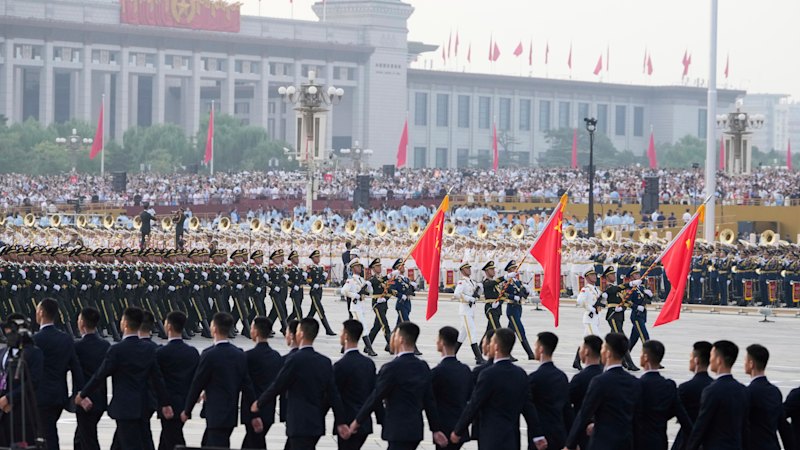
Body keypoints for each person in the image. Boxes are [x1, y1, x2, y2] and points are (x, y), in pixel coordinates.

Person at [75, 307, 172, 450]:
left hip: (125, 407)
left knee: (129, 443)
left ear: (125, 323)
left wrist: (83, 394)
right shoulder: (148, 349)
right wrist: (165, 403)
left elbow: (100, 375)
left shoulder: (117, 350)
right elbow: (157, 378)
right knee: (140, 441)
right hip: (143, 405)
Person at [252, 318, 349, 450]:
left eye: (297, 331)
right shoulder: (324, 361)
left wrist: (259, 403)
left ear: (301, 334)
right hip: (316, 422)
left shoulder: (294, 359)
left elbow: (278, 385)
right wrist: (341, 421)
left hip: (298, 422)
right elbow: (333, 394)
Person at [350, 321, 448, 450]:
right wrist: (435, 429)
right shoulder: (422, 367)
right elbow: (429, 400)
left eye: (394, 336)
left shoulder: (392, 368)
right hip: (415, 430)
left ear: (400, 339)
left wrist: (357, 421)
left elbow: (376, 396)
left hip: (397, 430)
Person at [450, 328, 545, 450]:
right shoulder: (520, 374)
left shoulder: (488, 374)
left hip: (491, 437)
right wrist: (538, 435)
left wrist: (458, 430)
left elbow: (475, 404)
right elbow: (528, 407)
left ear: (496, 346)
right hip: (512, 437)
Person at [181, 312, 256, 448]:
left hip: (215, 412)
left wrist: (187, 410)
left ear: (214, 328)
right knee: (211, 443)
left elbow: (197, 384)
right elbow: (247, 385)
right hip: (230, 413)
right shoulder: (239, 354)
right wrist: (255, 413)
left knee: (215, 445)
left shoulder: (209, 354)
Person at [565, 333, 642, 450]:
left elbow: (584, 413)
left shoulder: (600, 381)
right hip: (626, 442)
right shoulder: (634, 382)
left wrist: (570, 444)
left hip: (603, 442)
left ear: (608, 353)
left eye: (604, 348)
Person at [33, 297, 84, 450]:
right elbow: (75, 367)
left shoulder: (35, 339)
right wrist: (78, 392)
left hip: (39, 396)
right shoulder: (65, 339)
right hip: (58, 395)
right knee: (47, 432)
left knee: (45, 435)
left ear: (41, 312)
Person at [685, 340, 750, 450]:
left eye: (712, 356)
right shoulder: (742, 390)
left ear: (719, 360)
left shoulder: (712, 390)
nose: (710, 360)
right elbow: (745, 427)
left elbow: (701, 426)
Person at [635, 340, 693, 450]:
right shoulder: (668, 386)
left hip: (638, 442)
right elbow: (681, 415)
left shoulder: (637, 385)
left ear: (646, 357)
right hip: (659, 442)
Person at [155, 312, 199, 450]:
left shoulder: (161, 352)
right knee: (168, 438)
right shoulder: (192, 352)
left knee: (174, 440)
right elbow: (196, 379)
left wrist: (163, 402)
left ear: (169, 326)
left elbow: (157, 379)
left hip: (167, 404)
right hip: (185, 402)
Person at [0, 314, 44, 448]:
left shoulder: (33, 353)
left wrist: (9, 398)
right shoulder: (3, 352)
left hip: (22, 410)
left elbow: (33, 381)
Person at [334, 320, 378, 450]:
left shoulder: (341, 365)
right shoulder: (368, 364)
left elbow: (333, 395)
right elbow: (374, 394)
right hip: (363, 423)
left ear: (346, 336)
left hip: (346, 423)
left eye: (341, 332)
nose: (340, 335)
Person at [240, 317, 283, 450]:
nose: (250, 330)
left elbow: (247, 385)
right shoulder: (276, 356)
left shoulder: (248, 356)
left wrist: (254, 414)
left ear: (256, 331)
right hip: (268, 410)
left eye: (252, 328)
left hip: (252, 410)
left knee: (253, 444)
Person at [743, 343, 794, 450]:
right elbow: (782, 425)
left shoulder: (748, 392)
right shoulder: (775, 391)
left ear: (751, 364)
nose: (744, 363)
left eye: (745, 360)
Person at [73, 307, 110, 450]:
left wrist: (82, 394)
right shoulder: (105, 345)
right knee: (80, 438)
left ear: (82, 322)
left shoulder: (77, 346)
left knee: (88, 440)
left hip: (83, 400)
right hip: (100, 398)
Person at [431, 326, 472, 450]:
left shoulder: (437, 372)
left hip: (444, 428)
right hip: (460, 426)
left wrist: (435, 428)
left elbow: (429, 400)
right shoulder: (465, 370)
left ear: (442, 343)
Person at [528, 331, 570, 450]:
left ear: (541, 349)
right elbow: (567, 410)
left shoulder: (535, 378)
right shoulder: (561, 376)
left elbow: (528, 408)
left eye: (535, 346)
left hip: (541, 437)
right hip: (559, 435)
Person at [672, 341, 713, 450]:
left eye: (690, 357)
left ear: (696, 360)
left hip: (686, 441)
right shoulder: (714, 387)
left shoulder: (685, 388)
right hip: (709, 440)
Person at [567, 335, 604, 450]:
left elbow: (566, 403)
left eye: (581, 348)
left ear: (587, 351)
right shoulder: (605, 376)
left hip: (583, 434)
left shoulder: (580, 378)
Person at [600, 267, 640, 371]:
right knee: (621, 339)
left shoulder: (618, 288)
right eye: (611, 275)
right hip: (612, 316)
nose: (613, 276)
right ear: (607, 277)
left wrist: (623, 307)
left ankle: (601, 360)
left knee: (610, 340)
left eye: (614, 274)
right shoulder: (608, 287)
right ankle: (629, 363)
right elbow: (615, 290)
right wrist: (630, 284)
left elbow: (625, 302)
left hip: (620, 316)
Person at [341, 259, 377, 356]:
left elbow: (370, 292)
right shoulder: (351, 280)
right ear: (352, 268)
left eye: (360, 266)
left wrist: (369, 286)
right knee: (364, 327)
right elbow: (343, 291)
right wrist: (355, 295)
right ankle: (369, 349)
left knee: (352, 328)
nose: (360, 268)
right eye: (357, 266)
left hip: (362, 306)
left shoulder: (362, 280)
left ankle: (344, 346)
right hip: (355, 307)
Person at [452, 262, 485, 364]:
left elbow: (477, 295)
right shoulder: (462, 282)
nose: (469, 270)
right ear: (462, 271)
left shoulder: (472, 282)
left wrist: (480, 288)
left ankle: (452, 355)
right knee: (472, 332)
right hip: (465, 310)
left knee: (462, 335)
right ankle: (479, 357)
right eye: (467, 268)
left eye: (469, 268)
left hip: (471, 310)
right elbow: (456, 294)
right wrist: (468, 298)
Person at [574, 268, 602, 369]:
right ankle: (600, 363)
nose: (594, 276)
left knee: (585, 341)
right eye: (591, 275)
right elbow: (579, 301)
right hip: (589, 319)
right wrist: (591, 308)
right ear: (586, 277)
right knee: (598, 339)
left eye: (595, 275)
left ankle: (576, 361)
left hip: (596, 319)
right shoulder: (585, 289)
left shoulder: (596, 289)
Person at [306, 250, 336, 336]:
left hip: (320, 290)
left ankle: (303, 326)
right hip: (314, 291)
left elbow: (322, 281)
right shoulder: (311, 268)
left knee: (312, 311)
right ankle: (328, 329)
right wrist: (313, 284)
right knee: (320, 310)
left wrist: (324, 277)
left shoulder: (321, 268)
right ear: (312, 258)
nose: (318, 258)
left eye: (318, 257)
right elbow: (308, 279)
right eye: (316, 257)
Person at [627, 268, 654, 351]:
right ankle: (649, 357)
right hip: (636, 315)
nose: (638, 275)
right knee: (645, 337)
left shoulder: (641, 287)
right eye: (636, 274)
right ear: (631, 277)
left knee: (632, 340)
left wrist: (650, 295)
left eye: (638, 274)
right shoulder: (630, 288)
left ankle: (624, 358)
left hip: (643, 315)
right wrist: (636, 307)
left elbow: (647, 301)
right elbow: (627, 301)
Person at [481, 261, 502, 333]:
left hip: (498, 309)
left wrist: (499, 302)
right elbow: (491, 284)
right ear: (486, 271)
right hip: (490, 309)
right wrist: (504, 277)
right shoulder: (486, 282)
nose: (494, 271)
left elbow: (502, 295)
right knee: (498, 331)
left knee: (489, 331)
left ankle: (481, 344)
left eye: (494, 269)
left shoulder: (496, 284)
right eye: (491, 269)